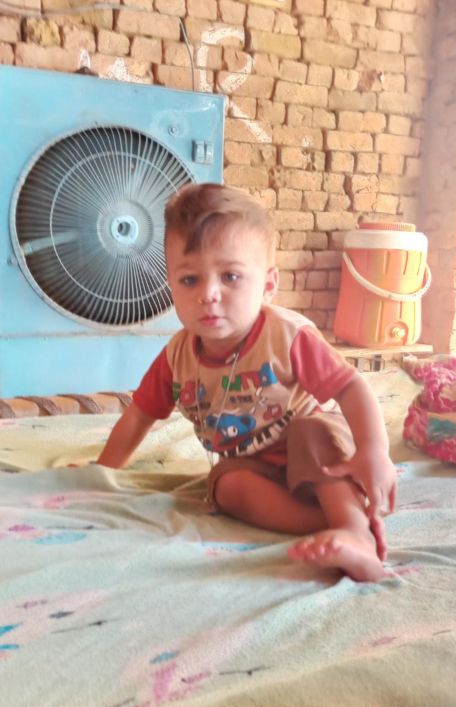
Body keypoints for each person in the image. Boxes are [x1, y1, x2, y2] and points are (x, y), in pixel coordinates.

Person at [97, 183, 396, 582]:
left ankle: (355, 531)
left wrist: (374, 451)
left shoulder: (286, 337)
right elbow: (138, 416)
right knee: (225, 486)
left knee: (312, 432)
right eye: (190, 280)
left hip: (320, 461)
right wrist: (101, 473)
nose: (208, 294)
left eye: (231, 276)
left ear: (268, 285)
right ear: (170, 285)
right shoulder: (177, 357)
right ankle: (326, 528)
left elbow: (351, 388)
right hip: (257, 470)